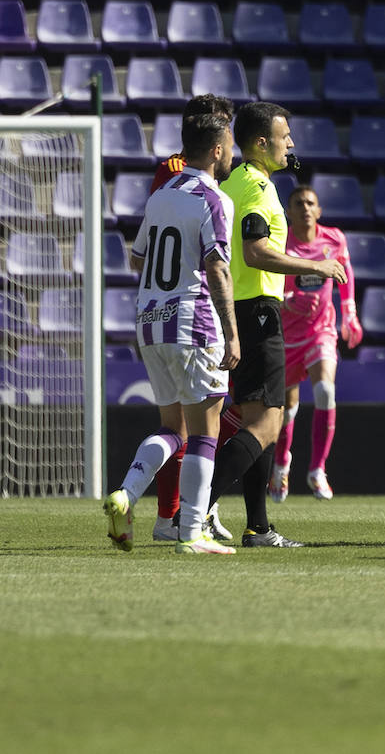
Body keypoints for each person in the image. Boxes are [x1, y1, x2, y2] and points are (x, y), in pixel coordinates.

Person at [207, 102, 346, 548]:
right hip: (257, 310)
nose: (291, 144)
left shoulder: (232, 181)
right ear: (261, 143)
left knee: (257, 420)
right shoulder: (257, 189)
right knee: (270, 423)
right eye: (285, 137)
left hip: (238, 307)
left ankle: (258, 527)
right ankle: (193, 509)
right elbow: (254, 250)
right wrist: (315, 265)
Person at [102, 113, 241, 555]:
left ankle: (126, 493)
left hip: (149, 321)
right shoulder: (214, 199)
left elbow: (137, 259)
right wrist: (232, 334)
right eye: (231, 144)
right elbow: (218, 267)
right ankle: (191, 533)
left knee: (172, 428)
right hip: (194, 321)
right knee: (205, 430)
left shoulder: (162, 193)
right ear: (217, 149)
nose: (233, 152)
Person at [147, 93, 237, 544]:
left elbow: (140, 252)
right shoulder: (184, 179)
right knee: (196, 427)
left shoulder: (167, 187)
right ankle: (183, 521)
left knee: (182, 426)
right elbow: (209, 260)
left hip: (158, 316)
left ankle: (185, 515)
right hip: (196, 312)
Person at [269, 186, 362, 503]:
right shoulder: (280, 242)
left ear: (319, 211)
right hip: (286, 337)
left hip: (320, 331)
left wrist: (349, 314)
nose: (306, 208)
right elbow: (266, 284)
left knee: (325, 390)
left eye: (310, 203)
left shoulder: (334, 238)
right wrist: (288, 301)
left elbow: (345, 272)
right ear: (289, 212)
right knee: (287, 409)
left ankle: (317, 469)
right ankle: (282, 463)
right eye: (299, 204)